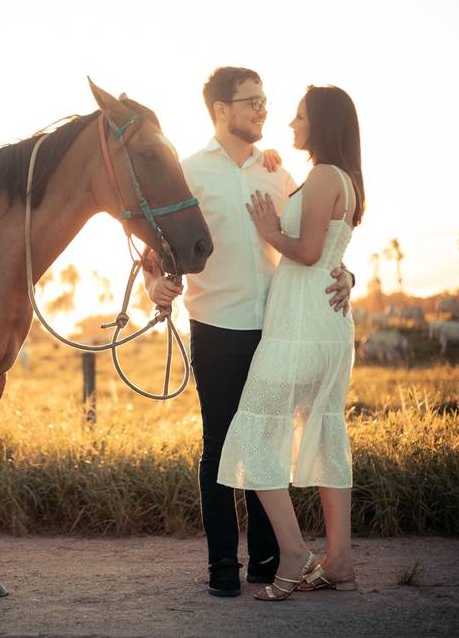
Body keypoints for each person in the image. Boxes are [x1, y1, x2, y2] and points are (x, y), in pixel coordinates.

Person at [143, 67, 353, 597]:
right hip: (217, 325)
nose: (263, 110)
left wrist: (348, 275)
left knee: (269, 443)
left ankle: (268, 560)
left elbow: (316, 240)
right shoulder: (187, 172)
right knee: (219, 444)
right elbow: (154, 251)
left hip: (282, 327)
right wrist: (155, 285)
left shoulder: (280, 173)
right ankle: (222, 567)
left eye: (265, 100)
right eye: (251, 101)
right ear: (220, 109)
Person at [216, 84, 365, 601]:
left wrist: (269, 229)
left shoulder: (325, 176)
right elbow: (330, 253)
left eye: (300, 117)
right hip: (320, 322)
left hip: (302, 325)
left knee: (254, 432)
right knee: (324, 431)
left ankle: (294, 550)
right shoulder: (334, 176)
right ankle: (340, 558)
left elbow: (305, 252)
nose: (292, 124)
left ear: (321, 123)